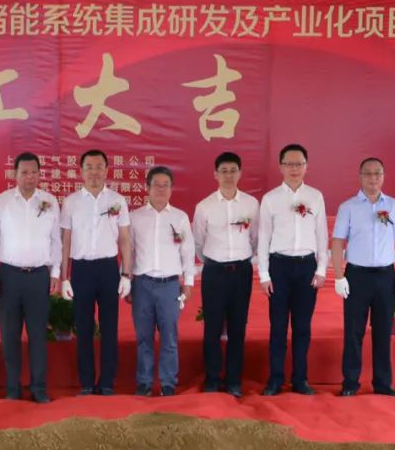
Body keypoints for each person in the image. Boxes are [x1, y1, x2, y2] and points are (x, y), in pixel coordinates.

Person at [0, 151, 62, 403]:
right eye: (24, 172)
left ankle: (38, 387)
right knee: (10, 335)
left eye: (34, 172)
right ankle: (12, 387)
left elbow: (56, 241)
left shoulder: (49, 201)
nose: (30, 177)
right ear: (14, 174)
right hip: (9, 276)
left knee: (38, 335)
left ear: (40, 174)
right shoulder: (2, 202)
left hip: (39, 276)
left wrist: (56, 272)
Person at [330, 157, 395, 397]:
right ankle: (350, 383)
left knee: (383, 332)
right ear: (360, 176)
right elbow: (337, 241)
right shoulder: (348, 207)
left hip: (385, 276)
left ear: (383, 176)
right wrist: (339, 275)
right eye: (367, 173)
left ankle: (383, 383)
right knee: (353, 331)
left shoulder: (394, 206)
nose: (372, 178)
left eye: (377, 173)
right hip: (357, 275)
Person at [257, 143, 328, 396]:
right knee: (278, 327)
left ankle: (300, 379)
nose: (294, 168)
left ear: (306, 167)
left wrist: (321, 269)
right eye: (289, 164)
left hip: (307, 267)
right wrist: (264, 274)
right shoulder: (270, 199)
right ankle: (275, 379)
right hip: (279, 267)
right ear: (281, 167)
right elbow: (263, 237)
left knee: (302, 327)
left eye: (299, 164)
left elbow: (321, 235)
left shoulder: (315, 197)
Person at [60, 149, 132, 396]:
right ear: (81, 171)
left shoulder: (117, 200)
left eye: (99, 166)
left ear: (106, 170)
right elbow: (66, 241)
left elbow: (125, 239)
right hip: (81, 270)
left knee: (110, 328)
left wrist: (126, 274)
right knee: (84, 328)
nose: (94, 172)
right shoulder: (71, 202)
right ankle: (87, 382)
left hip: (108, 268)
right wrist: (65, 277)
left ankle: (108, 381)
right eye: (89, 167)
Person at [191, 151, 259, 397]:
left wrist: (243, 258)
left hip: (241, 272)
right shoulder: (204, 206)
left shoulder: (251, 204)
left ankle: (233, 380)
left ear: (240, 173)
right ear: (215, 174)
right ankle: (212, 378)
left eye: (233, 171)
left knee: (238, 326)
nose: (228, 176)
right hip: (214, 273)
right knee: (212, 326)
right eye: (224, 171)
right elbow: (198, 242)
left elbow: (255, 238)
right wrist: (213, 261)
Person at [129, 166, 195, 396]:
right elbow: (129, 252)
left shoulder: (180, 217)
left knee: (169, 337)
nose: (161, 189)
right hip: (142, 284)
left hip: (170, 286)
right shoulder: (135, 217)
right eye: (156, 184)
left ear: (171, 189)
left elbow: (188, 252)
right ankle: (144, 382)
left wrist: (188, 282)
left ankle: (168, 383)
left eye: (165, 185)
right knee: (143, 338)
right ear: (147, 187)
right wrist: (126, 280)